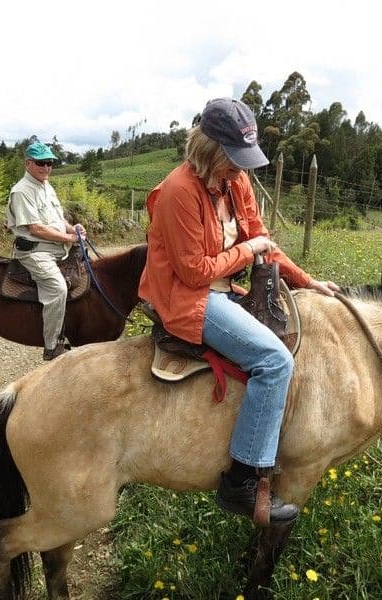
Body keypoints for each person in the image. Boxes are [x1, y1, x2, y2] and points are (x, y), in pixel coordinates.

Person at [138, 98, 340, 523]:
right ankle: (242, 480)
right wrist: (248, 251)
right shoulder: (177, 192)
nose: (239, 169)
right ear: (209, 151)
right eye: (233, 159)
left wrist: (306, 282)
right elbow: (194, 272)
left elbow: (262, 239)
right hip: (189, 297)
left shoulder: (236, 182)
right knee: (275, 361)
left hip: (224, 287)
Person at [6, 141, 86, 361]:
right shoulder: (22, 191)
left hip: (57, 249)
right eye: (41, 163)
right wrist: (69, 238)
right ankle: (52, 346)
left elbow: (57, 219)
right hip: (35, 252)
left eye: (49, 162)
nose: (46, 167)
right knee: (58, 288)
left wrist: (73, 229)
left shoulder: (46, 186)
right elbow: (36, 228)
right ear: (28, 163)